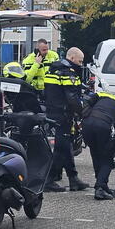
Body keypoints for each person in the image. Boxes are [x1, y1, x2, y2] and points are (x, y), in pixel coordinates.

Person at [43, 47, 89, 192]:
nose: (81, 64)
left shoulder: (52, 70)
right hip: (63, 115)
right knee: (60, 148)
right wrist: (82, 112)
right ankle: (48, 180)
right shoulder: (67, 73)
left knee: (65, 145)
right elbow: (72, 98)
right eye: (80, 61)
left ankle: (73, 178)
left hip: (53, 112)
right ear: (72, 58)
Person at [82, 91, 115, 200]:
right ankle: (100, 188)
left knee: (96, 153)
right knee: (107, 158)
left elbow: (87, 99)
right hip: (103, 125)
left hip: (87, 124)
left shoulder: (105, 95)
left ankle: (101, 184)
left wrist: (84, 113)